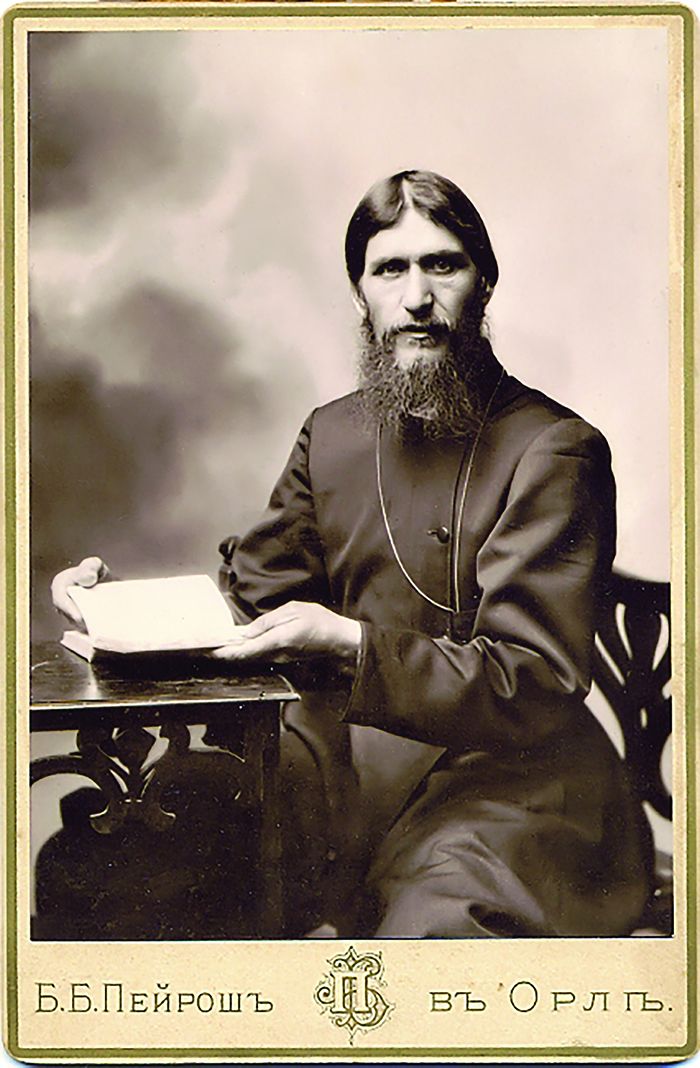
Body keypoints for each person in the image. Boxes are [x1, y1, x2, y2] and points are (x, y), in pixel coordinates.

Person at [52, 169, 654, 939]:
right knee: (129, 864)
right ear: (360, 295)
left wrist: (351, 644)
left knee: (434, 937)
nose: (416, 297)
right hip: (340, 773)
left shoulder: (555, 449)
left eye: (443, 265)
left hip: (509, 787)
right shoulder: (332, 435)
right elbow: (251, 602)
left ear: (485, 283)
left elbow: (532, 681)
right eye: (390, 269)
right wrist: (113, 607)